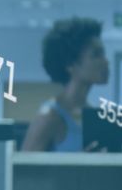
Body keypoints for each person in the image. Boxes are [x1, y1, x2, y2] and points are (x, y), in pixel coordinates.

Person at [22, 18, 109, 152]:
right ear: (70, 65)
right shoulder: (49, 117)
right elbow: (22, 171)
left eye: (103, 54)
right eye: (96, 55)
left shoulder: (95, 116)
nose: (106, 62)